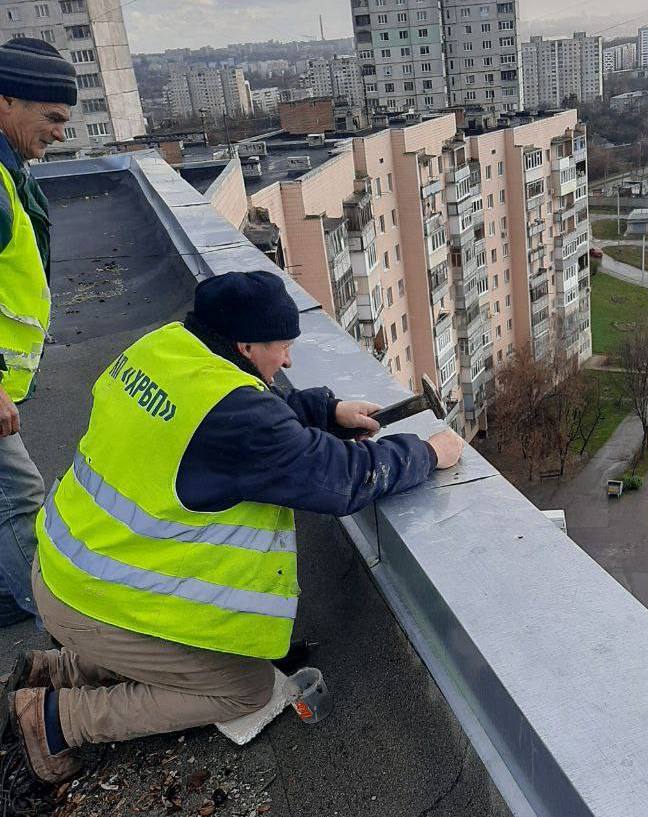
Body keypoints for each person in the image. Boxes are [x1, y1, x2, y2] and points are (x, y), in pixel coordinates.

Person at [1, 270, 464, 784]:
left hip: (68, 571)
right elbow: (343, 480)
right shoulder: (237, 416)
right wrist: (425, 452)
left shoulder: (167, 347)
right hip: (96, 600)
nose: (287, 361)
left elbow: (230, 425)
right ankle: (57, 721)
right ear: (245, 345)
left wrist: (326, 412)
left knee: (184, 651)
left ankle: (61, 670)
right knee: (244, 689)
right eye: (282, 348)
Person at [0, 38, 76, 627]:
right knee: (20, 499)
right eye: (51, 117)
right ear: (5, 102)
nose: (59, 132)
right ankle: (55, 617)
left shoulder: (9, 169)